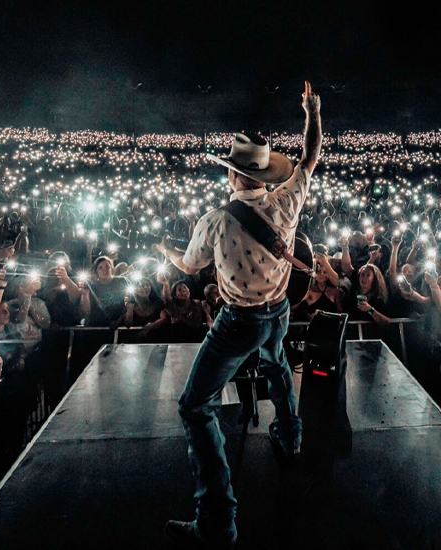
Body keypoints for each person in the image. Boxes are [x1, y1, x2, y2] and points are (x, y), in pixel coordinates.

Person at [159, 82, 321, 548]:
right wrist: (311, 109)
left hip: (237, 321)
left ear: (232, 175)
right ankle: (290, 437)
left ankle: (218, 521)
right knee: (277, 368)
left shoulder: (214, 220)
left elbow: (190, 267)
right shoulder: (286, 201)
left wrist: (167, 251)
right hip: (278, 310)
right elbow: (310, 156)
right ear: (263, 173)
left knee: (194, 406)